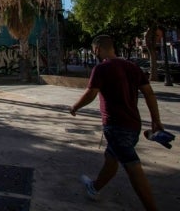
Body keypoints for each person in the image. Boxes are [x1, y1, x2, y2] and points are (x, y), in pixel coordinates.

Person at [69, 35, 164, 210]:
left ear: (97, 49)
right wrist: (155, 120)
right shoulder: (132, 67)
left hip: (116, 126)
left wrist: (75, 107)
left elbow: (91, 93)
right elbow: (149, 93)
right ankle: (94, 187)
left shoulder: (101, 69)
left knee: (133, 168)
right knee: (111, 159)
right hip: (134, 125)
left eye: (93, 50)